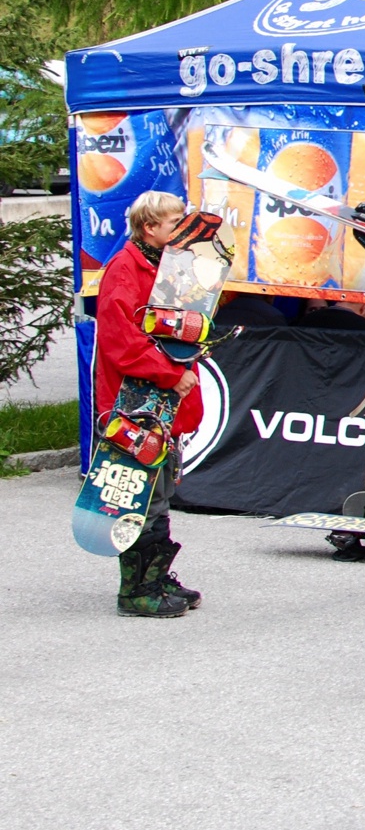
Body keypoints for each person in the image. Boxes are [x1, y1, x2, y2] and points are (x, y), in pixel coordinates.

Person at [93, 191, 206, 618]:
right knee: (143, 495)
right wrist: (172, 374)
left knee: (161, 490)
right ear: (149, 228)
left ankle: (156, 577)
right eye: (174, 223)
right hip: (134, 403)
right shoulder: (125, 270)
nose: (182, 229)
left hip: (160, 403)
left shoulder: (167, 266)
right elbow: (124, 344)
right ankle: (136, 589)